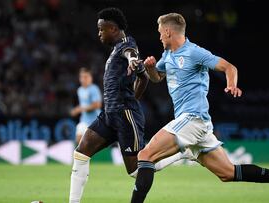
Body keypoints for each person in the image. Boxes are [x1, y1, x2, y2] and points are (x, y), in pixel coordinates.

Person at [130, 13, 269, 203]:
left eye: (159, 32)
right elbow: (157, 77)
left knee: (145, 155)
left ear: (167, 31)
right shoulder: (168, 55)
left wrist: (231, 84)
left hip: (193, 119)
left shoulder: (194, 52)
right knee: (228, 173)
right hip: (197, 125)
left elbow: (229, 67)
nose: (158, 37)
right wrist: (150, 68)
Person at [69, 8, 189, 203]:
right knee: (81, 152)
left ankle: (183, 152)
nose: (99, 33)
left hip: (125, 116)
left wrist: (133, 60)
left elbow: (131, 54)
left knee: (136, 170)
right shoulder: (115, 49)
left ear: (113, 28)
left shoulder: (126, 45)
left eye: (101, 29)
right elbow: (142, 77)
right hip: (109, 115)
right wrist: (133, 96)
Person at [70, 68, 102, 144]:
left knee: (94, 145)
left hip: (96, 121)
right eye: (82, 77)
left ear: (91, 78)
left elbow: (97, 105)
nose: (84, 79)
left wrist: (81, 109)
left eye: (86, 77)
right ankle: (81, 155)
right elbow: (83, 105)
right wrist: (77, 110)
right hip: (84, 120)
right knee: (79, 140)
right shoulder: (80, 90)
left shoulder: (94, 89)